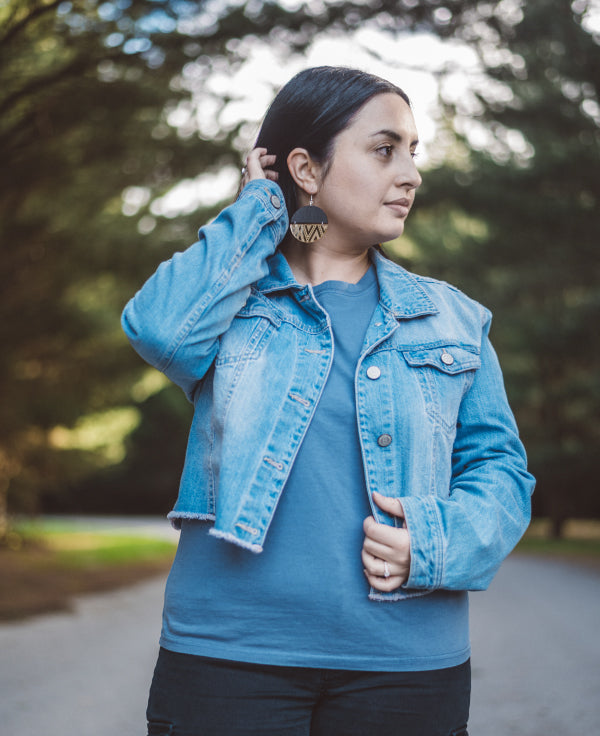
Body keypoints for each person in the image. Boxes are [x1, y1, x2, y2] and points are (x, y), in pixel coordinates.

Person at [122, 66, 535, 736]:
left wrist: (432, 544)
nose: (410, 174)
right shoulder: (231, 304)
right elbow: (157, 328)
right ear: (305, 169)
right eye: (384, 150)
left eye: (412, 152)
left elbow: (501, 473)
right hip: (229, 660)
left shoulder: (455, 320)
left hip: (405, 667)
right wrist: (262, 210)